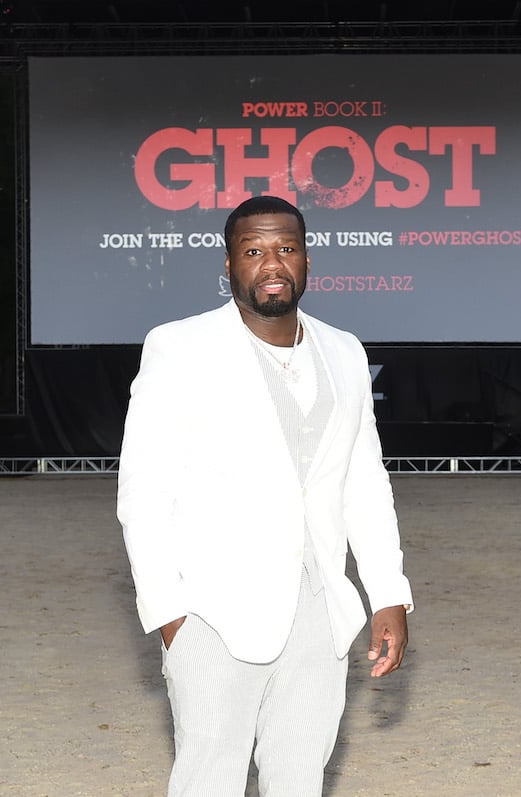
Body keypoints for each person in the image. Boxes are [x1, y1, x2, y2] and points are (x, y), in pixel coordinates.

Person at [116, 195, 414, 796]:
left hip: (319, 611)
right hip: (211, 613)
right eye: (253, 251)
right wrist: (170, 615)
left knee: (300, 779)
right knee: (208, 781)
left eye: (286, 248)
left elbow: (364, 481)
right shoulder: (179, 347)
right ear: (229, 265)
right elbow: (143, 490)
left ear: (307, 260)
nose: (272, 263)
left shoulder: (344, 351)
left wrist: (388, 594)